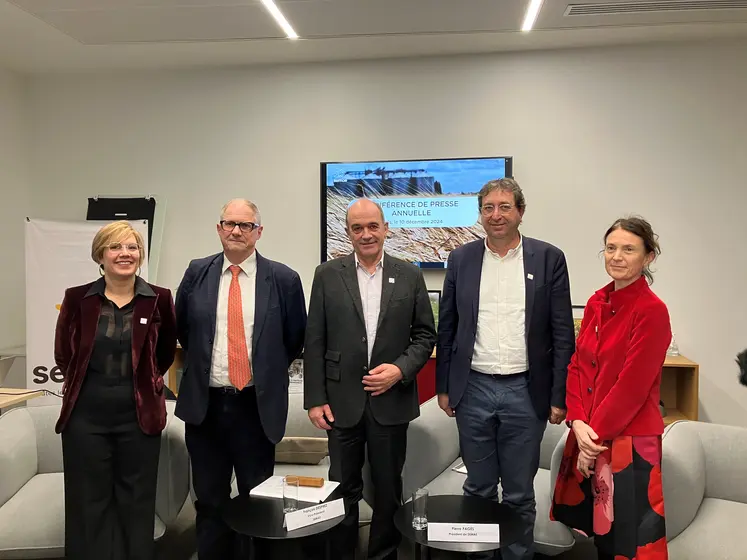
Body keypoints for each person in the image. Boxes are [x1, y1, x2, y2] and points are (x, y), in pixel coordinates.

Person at [436, 178, 575, 560]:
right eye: (488, 208)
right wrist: (444, 387)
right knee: (478, 489)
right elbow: (447, 327)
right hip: (474, 389)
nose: (496, 215)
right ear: (480, 213)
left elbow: (563, 333)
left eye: (504, 207)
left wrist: (558, 395)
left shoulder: (548, 258)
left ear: (520, 212)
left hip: (525, 391)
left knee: (518, 492)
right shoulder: (461, 259)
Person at [304, 198, 437, 560]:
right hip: (340, 402)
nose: (366, 235)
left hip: (390, 403)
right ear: (348, 232)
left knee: (387, 488)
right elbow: (314, 338)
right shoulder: (327, 274)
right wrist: (315, 398)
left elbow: (426, 336)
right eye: (357, 228)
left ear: (385, 228)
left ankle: (383, 554)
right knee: (342, 485)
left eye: (372, 227)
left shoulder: (409, 274)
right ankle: (343, 553)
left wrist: (399, 369)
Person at [174, 199, 307, 560]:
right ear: (219, 229)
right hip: (206, 407)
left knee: (258, 499)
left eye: (245, 225)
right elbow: (184, 329)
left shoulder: (283, 279)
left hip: (255, 407)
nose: (236, 231)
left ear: (258, 232)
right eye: (229, 223)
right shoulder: (196, 272)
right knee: (210, 500)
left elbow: (294, 338)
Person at [54, 220, 177, 560]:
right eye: (116, 247)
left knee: (136, 503)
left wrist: (146, 381)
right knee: (86, 503)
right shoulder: (77, 298)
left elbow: (165, 352)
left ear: (140, 254)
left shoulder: (160, 299)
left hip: (139, 417)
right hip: (85, 418)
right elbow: (64, 354)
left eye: (132, 247)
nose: (125, 254)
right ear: (101, 255)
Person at [551, 217, 671, 560]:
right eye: (611, 248)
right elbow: (577, 365)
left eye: (629, 249)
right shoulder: (596, 302)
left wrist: (591, 439)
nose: (617, 256)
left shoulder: (652, 311)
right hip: (589, 432)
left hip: (628, 440)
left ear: (648, 257)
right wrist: (576, 420)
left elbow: (632, 388)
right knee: (601, 536)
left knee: (628, 542)